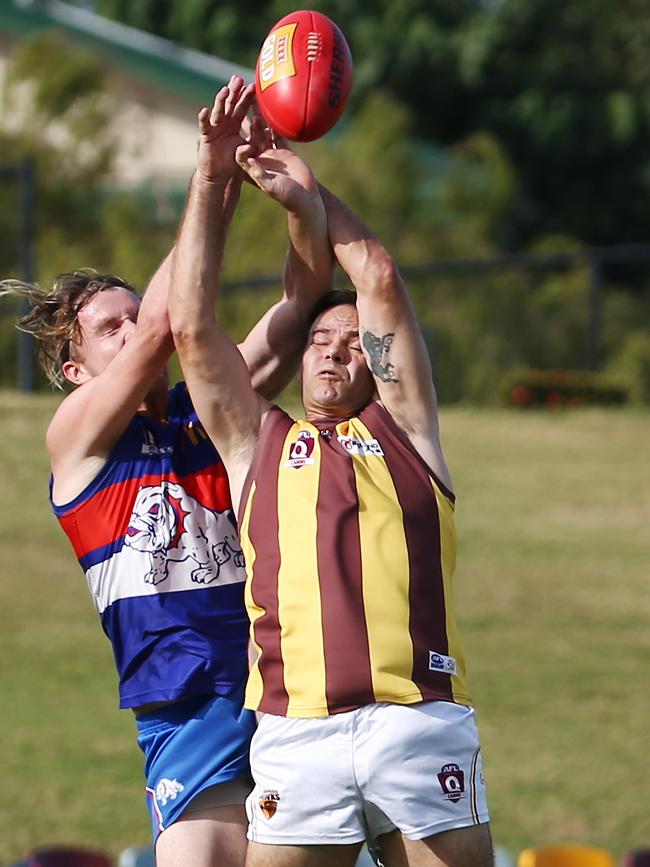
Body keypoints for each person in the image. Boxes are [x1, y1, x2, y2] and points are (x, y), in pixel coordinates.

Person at [0, 76, 333, 867]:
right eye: (105, 328)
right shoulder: (76, 439)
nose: (129, 332)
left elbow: (300, 304)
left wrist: (291, 200)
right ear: (77, 369)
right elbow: (164, 324)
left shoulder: (207, 408)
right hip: (187, 706)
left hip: (287, 681)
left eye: (128, 314)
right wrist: (211, 176)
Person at [169, 108, 494, 867]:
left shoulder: (406, 427)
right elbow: (191, 327)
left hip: (412, 720)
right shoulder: (257, 441)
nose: (335, 352)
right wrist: (213, 172)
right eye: (320, 338)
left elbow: (375, 271)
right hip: (298, 729)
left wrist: (309, 199)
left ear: (374, 361)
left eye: (353, 342)